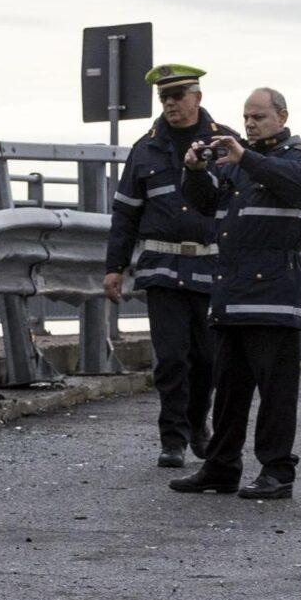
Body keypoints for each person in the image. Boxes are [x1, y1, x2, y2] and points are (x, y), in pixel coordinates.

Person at [169, 87, 301, 502]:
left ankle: (277, 472)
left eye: (259, 117)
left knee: (275, 393)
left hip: (274, 295)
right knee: (229, 390)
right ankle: (221, 467)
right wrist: (195, 172)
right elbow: (203, 205)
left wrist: (244, 156)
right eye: (247, 118)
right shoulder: (235, 165)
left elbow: (293, 184)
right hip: (232, 292)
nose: (251, 125)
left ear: (282, 116)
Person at [104, 63, 236, 468]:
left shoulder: (225, 144)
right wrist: (115, 266)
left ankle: (198, 423)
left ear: (197, 97)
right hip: (161, 267)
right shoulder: (146, 149)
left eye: (178, 96)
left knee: (208, 361)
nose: (171, 104)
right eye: (164, 98)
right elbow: (125, 213)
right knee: (172, 357)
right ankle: (173, 438)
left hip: (211, 269)